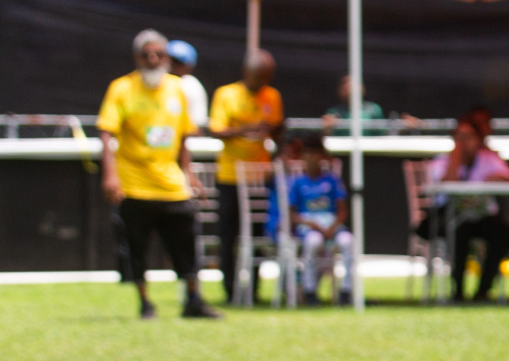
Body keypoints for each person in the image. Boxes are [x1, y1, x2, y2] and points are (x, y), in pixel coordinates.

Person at [96, 30, 221, 319]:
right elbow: (106, 133)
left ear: (167, 58)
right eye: (146, 54)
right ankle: (145, 303)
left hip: (171, 184)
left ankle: (193, 300)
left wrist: (188, 173)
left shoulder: (178, 88)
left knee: (186, 242)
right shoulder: (122, 88)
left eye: (159, 54)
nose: (153, 59)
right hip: (135, 184)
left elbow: (184, 137)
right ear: (136, 58)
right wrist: (110, 175)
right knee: (137, 246)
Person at [207, 49, 284, 303]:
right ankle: (230, 290)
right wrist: (245, 129)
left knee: (258, 235)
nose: (262, 82)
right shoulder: (226, 94)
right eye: (258, 76)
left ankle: (254, 290)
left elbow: (277, 132)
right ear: (246, 73)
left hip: (260, 176)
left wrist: (275, 139)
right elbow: (216, 131)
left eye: (266, 77)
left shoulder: (272, 96)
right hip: (230, 176)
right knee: (228, 235)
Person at [419, 116, 509, 302]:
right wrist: (456, 157)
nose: (464, 142)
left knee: (504, 233)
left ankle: (483, 290)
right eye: (459, 137)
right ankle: (458, 291)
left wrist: (496, 179)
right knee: (458, 233)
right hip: (453, 218)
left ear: (479, 140)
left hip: (483, 218)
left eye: (468, 137)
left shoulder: (489, 159)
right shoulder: (441, 162)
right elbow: (447, 184)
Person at [285, 136, 354, 305]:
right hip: (309, 228)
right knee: (313, 243)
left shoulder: (332, 180)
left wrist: (332, 227)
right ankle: (310, 291)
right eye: (307, 155)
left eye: (315, 155)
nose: (311, 159)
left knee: (348, 242)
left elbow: (343, 210)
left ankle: (347, 291)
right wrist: (310, 224)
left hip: (331, 226)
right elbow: (290, 214)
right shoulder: (297, 182)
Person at [320, 74, 419, 136]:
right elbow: (325, 138)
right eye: (346, 85)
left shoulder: (373, 109)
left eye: (355, 84)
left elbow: (384, 134)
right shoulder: (334, 112)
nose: (351, 88)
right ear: (340, 91)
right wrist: (326, 128)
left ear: (363, 88)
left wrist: (403, 126)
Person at [166, 40, 207, 131]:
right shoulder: (156, 82)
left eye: (176, 62)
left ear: (189, 66)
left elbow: (198, 125)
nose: (170, 65)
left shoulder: (190, 85)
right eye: (167, 60)